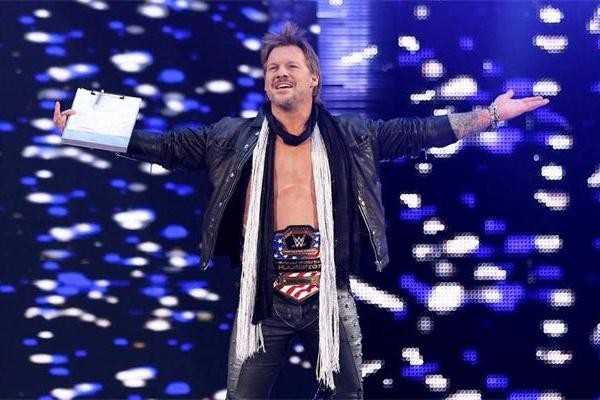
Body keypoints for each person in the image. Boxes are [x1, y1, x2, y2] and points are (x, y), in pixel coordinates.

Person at [54, 22, 549, 400]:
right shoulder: (232, 138)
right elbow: (166, 147)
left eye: (290, 66)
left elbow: (420, 132)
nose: (280, 73)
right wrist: (89, 131)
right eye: (272, 68)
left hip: (328, 293)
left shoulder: (352, 136)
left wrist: (490, 115)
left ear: (314, 78)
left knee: (348, 394)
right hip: (264, 299)